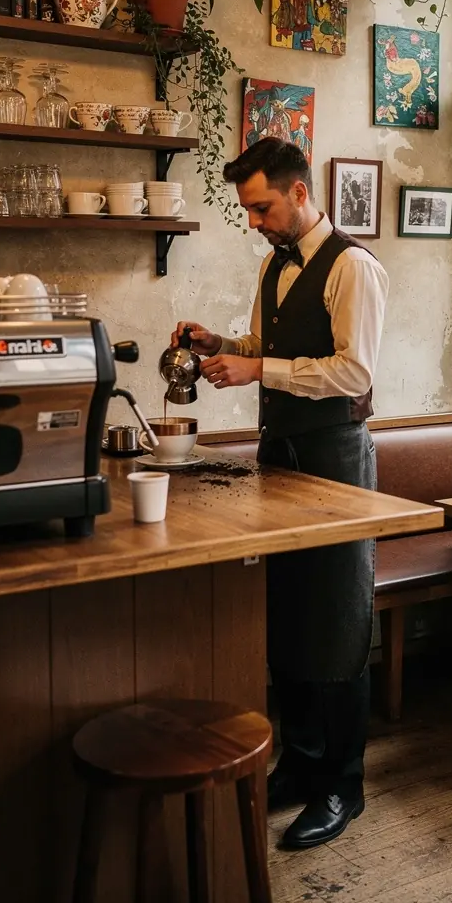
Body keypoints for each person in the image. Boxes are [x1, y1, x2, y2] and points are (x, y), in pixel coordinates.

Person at [170, 137, 389, 850]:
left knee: (338, 622)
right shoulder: (272, 264)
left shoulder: (354, 267)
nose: (256, 221)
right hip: (281, 456)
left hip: (336, 461)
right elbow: (265, 349)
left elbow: (352, 374)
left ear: (299, 193)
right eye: (248, 210)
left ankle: (344, 787)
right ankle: (300, 763)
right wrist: (216, 344)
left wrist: (258, 369)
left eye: (262, 207)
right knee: (288, 616)